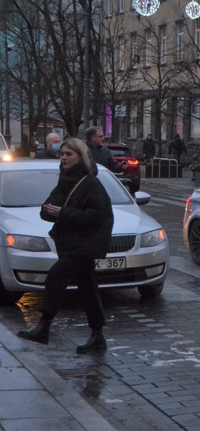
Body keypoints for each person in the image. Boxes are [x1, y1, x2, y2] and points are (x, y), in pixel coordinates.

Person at [17, 138, 114, 353]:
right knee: (89, 289)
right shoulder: (65, 180)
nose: (64, 158)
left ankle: (44, 327)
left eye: (69, 154)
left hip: (84, 246)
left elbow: (97, 216)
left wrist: (63, 213)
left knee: (56, 275)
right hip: (69, 243)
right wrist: (49, 210)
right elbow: (48, 208)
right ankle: (98, 337)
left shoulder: (90, 183)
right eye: (62, 154)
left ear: (81, 156)